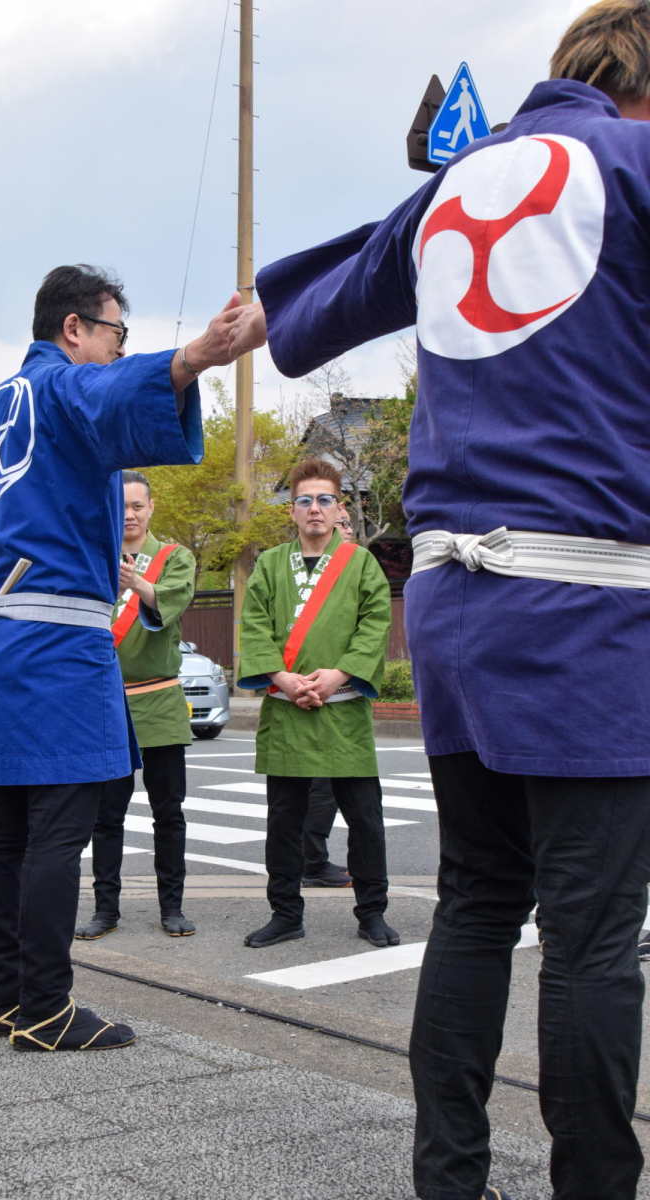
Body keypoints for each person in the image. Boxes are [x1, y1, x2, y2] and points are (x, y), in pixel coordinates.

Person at [228, 3, 650, 1196]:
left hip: (454, 604)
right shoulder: (631, 164)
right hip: (586, 606)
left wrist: (250, 315)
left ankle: (447, 1178)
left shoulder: (458, 185)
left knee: (475, 900)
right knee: (589, 934)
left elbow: (304, 317)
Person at [0, 264, 242, 1052]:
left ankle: (8, 998)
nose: (119, 348)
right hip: (62, 635)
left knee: (11, 820)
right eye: (116, 332)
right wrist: (194, 356)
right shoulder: (65, 387)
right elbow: (116, 390)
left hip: (8, 630)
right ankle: (45, 1006)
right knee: (60, 825)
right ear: (75, 328)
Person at [237, 458, 398, 949]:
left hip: (344, 709)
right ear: (291, 510)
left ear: (338, 507)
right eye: (304, 500)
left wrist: (338, 675)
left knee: (365, 820)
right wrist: (283, 678)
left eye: (324, 499)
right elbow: (254, 625)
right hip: (286, 708)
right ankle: (285, 913)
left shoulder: (361, 563)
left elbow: (375, 622)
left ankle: (372, 912)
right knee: (283, 822)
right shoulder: (269, 564)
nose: (314, 508)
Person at [75, 469, 197, 941]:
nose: (129, 515)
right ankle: (106, 909)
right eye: (121, 506)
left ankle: (173, 907)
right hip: (105, 702)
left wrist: (137, 583)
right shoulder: (91, 554)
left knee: (169, 811)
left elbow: (173, 601)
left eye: (137, 506)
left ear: (151, 508)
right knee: (106, 815)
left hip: (160, 700)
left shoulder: (174, 557)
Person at [301, 505, 356, 889]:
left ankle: (312, 859)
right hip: (311, 687)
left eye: (348, 524)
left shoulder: (356, 566)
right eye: (343, 524)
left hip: (343, 688)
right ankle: (311, 861)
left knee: (336, 785)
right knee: (321, 785)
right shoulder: (308, 570)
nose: (347, 530)